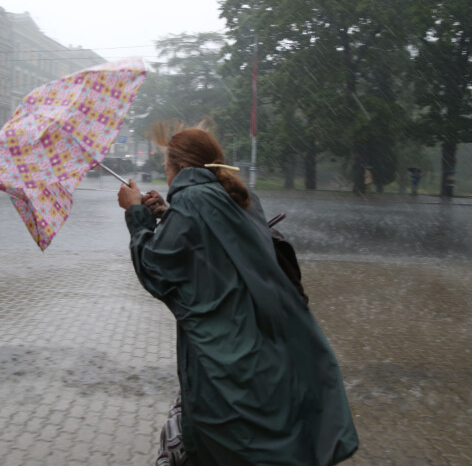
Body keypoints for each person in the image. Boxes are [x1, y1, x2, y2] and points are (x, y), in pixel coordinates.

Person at [117, 122, 358, 466]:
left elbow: (155, 269)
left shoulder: (193, 202)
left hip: (224, 360)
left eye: (167, 167)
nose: (166, 175)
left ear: (181, 168)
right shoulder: (238, 197)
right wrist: (166, 214)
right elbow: (213, 246)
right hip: (264, 348)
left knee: (220, 446)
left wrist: (135, 213)